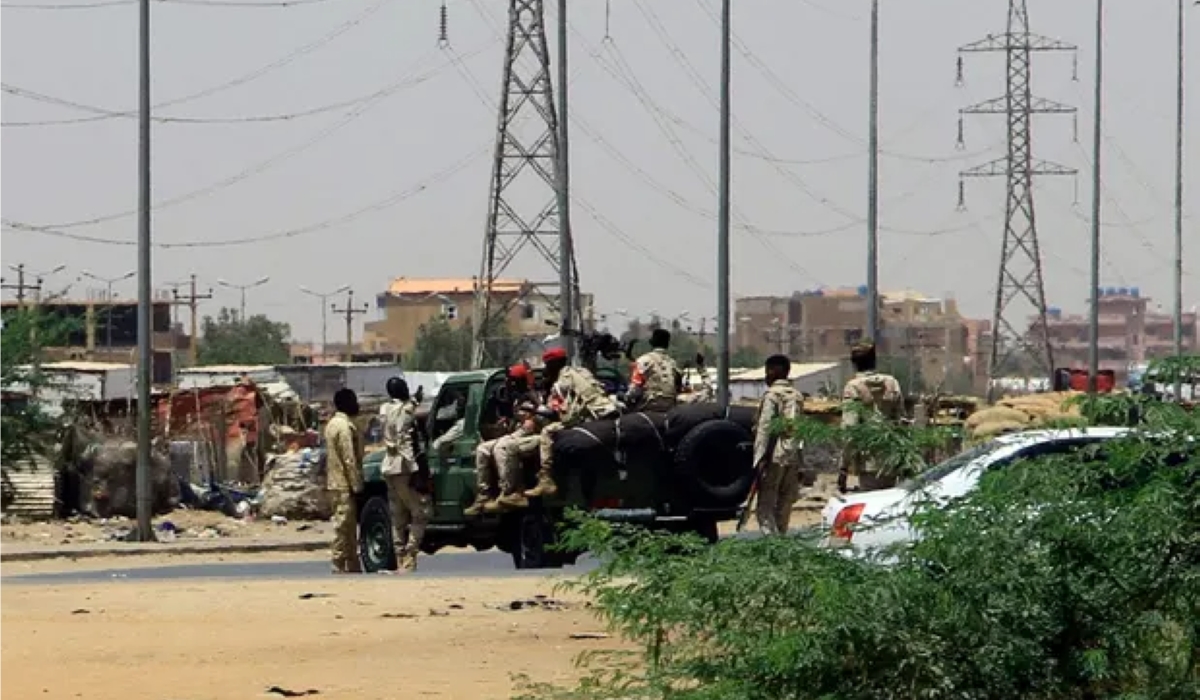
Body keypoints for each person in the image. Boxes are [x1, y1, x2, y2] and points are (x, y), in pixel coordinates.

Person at [523, 346, 620, 500]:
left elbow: (557, 413)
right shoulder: (582, 372)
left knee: (547, 432)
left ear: (553, 364)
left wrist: (535, 406)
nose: (546, 369)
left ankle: (546, 478)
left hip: (585, 419)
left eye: (547, 365)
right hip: (604, 413)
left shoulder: (561, 383)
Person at [465, 365, 541, 515]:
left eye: (510, 380)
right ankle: (483, 495)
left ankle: (510, 492)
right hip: (519, 432)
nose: (507, 383)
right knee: (482, 449)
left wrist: (515, 429)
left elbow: (530, 421)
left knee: (502, 446)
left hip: (530, 433)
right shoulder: (516, 398)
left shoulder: (530, 397)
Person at [839, 339, 904, 493]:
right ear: (874, 360)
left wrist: (843, 466)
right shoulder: (892, 383)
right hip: (892, 458)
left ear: (853, 363)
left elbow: (850, 430)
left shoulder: (853, 387)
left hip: (868, 461)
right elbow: (901, 422)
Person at [380, 376, 429, 572]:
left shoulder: (385, 409)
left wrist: (415, 400)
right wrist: (415, 469)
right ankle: (410, 555)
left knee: (397, 516)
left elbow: (403, 408)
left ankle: (400, 557)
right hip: (403, 467)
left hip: (389, 466)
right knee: (420, 513)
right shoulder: (405, 413)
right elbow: (404, 440)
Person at [751, 354, 804, 535]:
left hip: (775, 456)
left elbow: (764, 428)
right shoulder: (797, 396)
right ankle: (782, 542)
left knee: (765, 508)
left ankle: (773, 544)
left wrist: (758, 459)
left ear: (772, 372)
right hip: (793, 456)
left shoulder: (772, 395)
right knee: (784, 505)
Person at [324, 388, 364, 574]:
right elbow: (349, 459)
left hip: (334, 482)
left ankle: (352, 564)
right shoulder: (344, 427)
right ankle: (338, 561)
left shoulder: (332, 424)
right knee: (343, 526)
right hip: (343, 484)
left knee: (348, 527)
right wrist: (357, 484)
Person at [626, 328, 681, 412]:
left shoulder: (643, 360)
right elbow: (678, 387)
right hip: (670, 405)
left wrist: (625, 396)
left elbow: (635, 389)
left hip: (649, 405)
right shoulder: (673, 363)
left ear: (652, 342)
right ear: (667, 344)